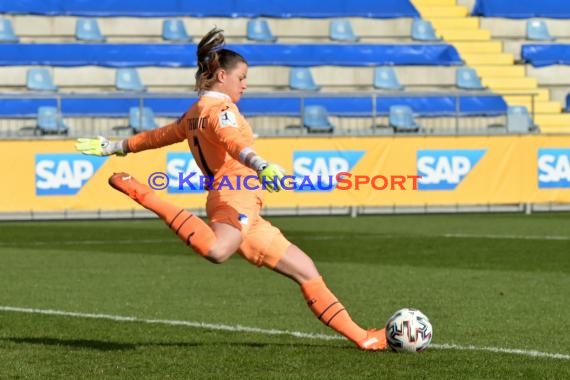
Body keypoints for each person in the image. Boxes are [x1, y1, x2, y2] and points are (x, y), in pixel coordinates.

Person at [75, 27, 387, 351]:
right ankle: (145, 195)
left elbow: (160, 135)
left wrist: (116, 146)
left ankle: (363, 338)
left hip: (243, 205)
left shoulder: (196, 112)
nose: (245, 85)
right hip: (234, 195)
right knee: (217, 250)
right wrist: (260, 164)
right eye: (242, 78)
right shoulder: (220, 110)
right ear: (222, 75)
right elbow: (233, 142)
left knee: (305, 269)